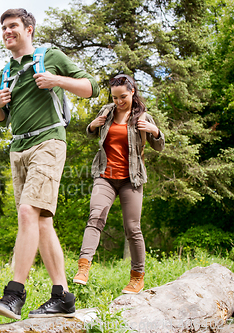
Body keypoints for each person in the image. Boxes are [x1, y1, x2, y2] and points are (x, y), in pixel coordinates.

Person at [0, 8, 99, 320]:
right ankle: (62, 295)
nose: (7, 32)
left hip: (49, 141)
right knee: (40, 220)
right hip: (18, 147)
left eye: (13, 26)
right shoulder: (6, 71)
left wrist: (57, 80)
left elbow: (90, 86)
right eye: (4, 28)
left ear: (28, 29)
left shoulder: (48, 55)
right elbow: (2, 119)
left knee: (27, 212)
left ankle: (14, 293)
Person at [72, 74, 165, 294]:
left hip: (131, 180)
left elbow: (159, 145)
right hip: (105, 176)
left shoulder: (143, 117)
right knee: (95, 217)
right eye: (115, 98)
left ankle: (137, 277)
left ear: (132, 92)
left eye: (122, 96)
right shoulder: (106, 111)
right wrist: (92, 126)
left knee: (133, 228)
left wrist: (155, 131)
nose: (119, 101)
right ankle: (83, 267)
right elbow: (92, 133)